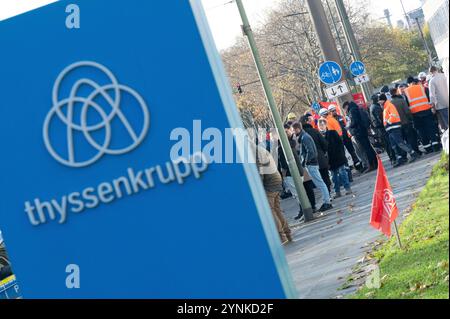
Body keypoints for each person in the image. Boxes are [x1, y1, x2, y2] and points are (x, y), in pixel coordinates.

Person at [254, 143, 292, 244]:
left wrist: (258, 188)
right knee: (276, 209)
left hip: (269, 183)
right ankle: (287, 234)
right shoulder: (259, 149)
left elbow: (259, 173)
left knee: (271, 211)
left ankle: (282, 237)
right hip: (275, 179)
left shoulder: (253, 152)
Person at [279, 124, 317, 219]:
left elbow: (301, 150)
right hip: (299, 166)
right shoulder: (289, 140)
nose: (286, 133)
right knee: (302, 190)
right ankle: (304, 209)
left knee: (306, 188)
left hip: (301, 165)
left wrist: (305, 161)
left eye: (286, 131)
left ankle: (311, 207)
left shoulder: (296, 139)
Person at [296, 122, 333, 212]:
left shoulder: (305, 137)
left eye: (294, 130)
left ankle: (327, 202)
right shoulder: (307, 135)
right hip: (315, 161)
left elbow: (310, 151)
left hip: (312, 163)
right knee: (321, 182)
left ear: (298, 128)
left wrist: (306, 161)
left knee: (320, 183)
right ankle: (327, 200)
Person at [379, 94, 420, 167]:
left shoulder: (389, 105)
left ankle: (413, 153)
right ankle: (400, 158)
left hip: (393, 127)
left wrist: (388, 123)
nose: (379, 102)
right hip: (391, 128)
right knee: (394, 145)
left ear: (383, 100)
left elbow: (393, 115)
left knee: (400, 143)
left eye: (380, 100)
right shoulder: (386, 106)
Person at [405, 77, 441, 153]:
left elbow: (407, 105)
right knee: (431, 129)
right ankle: (436, 146)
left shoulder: (406, 91)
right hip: (427, 111)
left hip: (415, 114)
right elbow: (429, 98)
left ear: (408, 83)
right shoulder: (422, 88)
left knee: (421, 131)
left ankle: (428, 148)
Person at [318, 119, 353, 198]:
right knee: (333, 177)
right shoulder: (319, 136)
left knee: (342, 172)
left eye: (322, 125)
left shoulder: (332, 132)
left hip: (338, 157)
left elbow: (340, 143)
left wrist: (341, 154)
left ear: (326, 125)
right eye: (320, 126)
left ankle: (347, 188)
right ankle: (337, 192)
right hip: (330, 160)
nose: (321, 127)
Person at [343, 101, 378, 171]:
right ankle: (375, 163)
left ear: (346, 106)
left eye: (344, 108)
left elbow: (354, 121)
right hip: (362, 131)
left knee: (366, 149)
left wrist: (348, 126)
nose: (345, 110)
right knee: (368, 147)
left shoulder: (352, 111)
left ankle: (371, 164)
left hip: (359, 132)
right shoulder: (356, 108)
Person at [328, 105, 362, 170]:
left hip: (346, 137)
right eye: (332, 111)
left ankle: (358, 165)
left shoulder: (341, 117)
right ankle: (348, 168)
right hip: (339, 140)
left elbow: (347, 124)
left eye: (335, 110)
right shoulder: (331, 120)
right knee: (343, 154)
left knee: (352, 152)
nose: (334, 112)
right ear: (330, 112)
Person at [390, 88, 422, 155]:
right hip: (406, 122)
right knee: (411, 138)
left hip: (397, 125)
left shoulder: (390, 103)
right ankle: (416, 151)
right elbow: (407, 112)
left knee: (403, 140)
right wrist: (411, 119)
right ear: (396, 92)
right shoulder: (401, 100)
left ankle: (410, 153)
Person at [369, 94, 397, 164]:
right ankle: (393, 158)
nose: (379, 100)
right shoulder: (376, 107)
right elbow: (380, 118)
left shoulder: (372, 107)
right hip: (382, 128)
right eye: (377, 99)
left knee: (386, 143)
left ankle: (392, 157)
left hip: (379, 128)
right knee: (388, 143)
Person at [429, 66, 449, 131]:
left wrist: (432, 106)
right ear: (436, 69)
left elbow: (432, 95)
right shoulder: (445, 75)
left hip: (441, 105)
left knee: (447, 122)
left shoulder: (432, 81)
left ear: (430, 72)